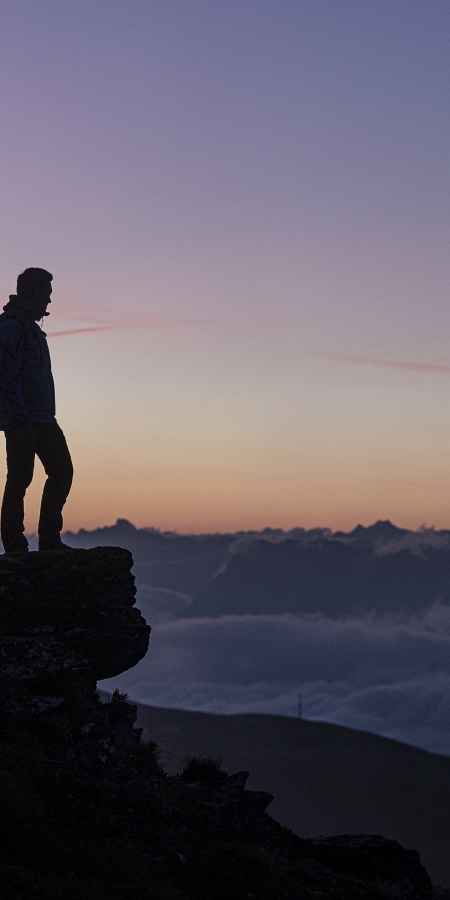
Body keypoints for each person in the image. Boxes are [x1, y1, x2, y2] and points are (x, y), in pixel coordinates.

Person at [0, 268, 73, 553]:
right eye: (47, 294)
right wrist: (19, 420)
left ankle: (49, 539)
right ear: (34, 292)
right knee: (20, 478)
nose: (49, 302)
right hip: (23, 420)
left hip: (43, 417)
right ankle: (15, 544)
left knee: (61, 471)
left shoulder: (30, 328)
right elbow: (6, 377)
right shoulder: (11, 328)